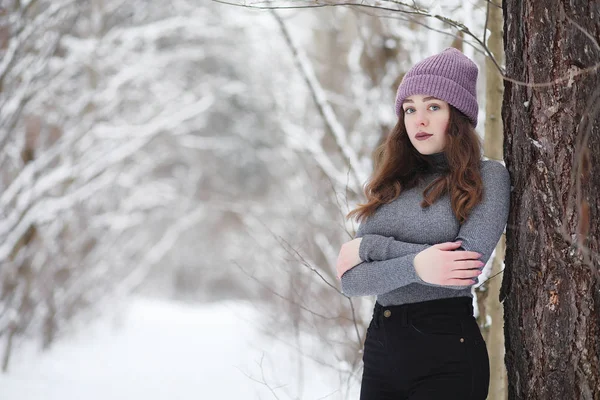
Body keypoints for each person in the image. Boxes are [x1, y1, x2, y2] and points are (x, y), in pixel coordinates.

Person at [336, 48, 511, 400]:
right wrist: (417, 264)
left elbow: (462, 264)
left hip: (446, 352)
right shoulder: (391, 183)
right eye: (409, 109)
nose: (419, 120)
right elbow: (352, 281)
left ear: (457, 115)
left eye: (433, 107)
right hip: (382, 351)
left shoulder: (487, 177)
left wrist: (369, 250)